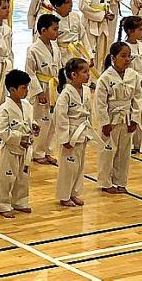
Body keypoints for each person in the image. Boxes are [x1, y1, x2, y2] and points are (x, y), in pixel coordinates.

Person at [96, 42, 142, 194]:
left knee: (124, 153)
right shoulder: (105, 78)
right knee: (108, 152)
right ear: (113, 58)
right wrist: (105, 123)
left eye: (129, 56)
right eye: (123, 56)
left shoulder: (133, 76)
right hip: (111, 118)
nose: (127, 59)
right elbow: (100, 103)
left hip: (127, 118)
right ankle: (105, 182)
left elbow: (138, 98)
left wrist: (135, 119)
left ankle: (121, 182)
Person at [0, 69, 38, 219]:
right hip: (10, 149)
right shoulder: (4, 108)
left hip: (25, 149)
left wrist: (34, 126)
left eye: (27, 87)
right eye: (24, 88)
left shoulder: (27, 105)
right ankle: (2, 204)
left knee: (23, 177)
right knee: (6, 178)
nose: (27, 91)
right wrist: (19, 138)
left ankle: (20, 201)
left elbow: (28, 121)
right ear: (12, 90)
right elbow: (0, 130)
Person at [55, 58, 95, 207]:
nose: (88, 75)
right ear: (73, 75)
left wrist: (90, 131)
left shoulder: (86, 90)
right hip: (71, 134)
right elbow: (61, 116)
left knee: (79, 166)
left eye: (88, 71)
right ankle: (64, 196)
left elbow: (89, 112)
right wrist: (64, 138)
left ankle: (74, 193)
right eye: (84, 72)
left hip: (83, 131)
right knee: (68, 167)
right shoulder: (66, 93)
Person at [26, 14, 61, 166]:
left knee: (53, 121)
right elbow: (30, 72)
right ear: (43, 30)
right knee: (41, 120)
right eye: (54, 29)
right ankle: (37, 152)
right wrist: (39, 92)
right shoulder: (33, 49)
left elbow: (59, 67)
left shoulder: (55, 47)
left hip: (54, 87)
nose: (57, 32)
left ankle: (49, 151)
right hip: (41, 87)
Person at [119, 16, 142, 155]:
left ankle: (140, 143)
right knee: (131, 112)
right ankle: (129, 143)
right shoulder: (122, 47)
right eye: (140, 29)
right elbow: (124, 67)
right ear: (130, 31)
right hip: (129, 84)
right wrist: (140, 80)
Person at [79, 0, 116, 71]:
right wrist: (102, 15)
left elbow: (103, 3)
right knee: (91, 53)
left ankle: (98, 77)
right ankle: (89, 78)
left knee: (101, 54)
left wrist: (108, 12)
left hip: (101, 24)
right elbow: (83, 6)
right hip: (90, 24)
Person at [50, 0, 94, 76]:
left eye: (71, 1)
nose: (71, 5)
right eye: (67, 2)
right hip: (63, 56)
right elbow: (52, 45)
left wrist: (90, 55)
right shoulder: (51, 21)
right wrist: (58, 63)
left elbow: (83, 36)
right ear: (57, 5)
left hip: (78, 53)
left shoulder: (75, 16)